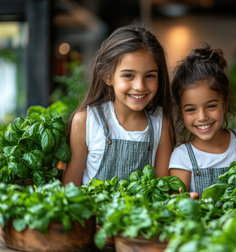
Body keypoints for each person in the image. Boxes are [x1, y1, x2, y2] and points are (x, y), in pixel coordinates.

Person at [62, 24, 174, 186]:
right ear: (108, 76)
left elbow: (162, 189)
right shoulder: (85, 120)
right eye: (128, 75)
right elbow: (70, 187)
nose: (140, 86)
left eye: (150, 76)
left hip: (143, 211)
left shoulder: (160, 123)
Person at [169, 43, 236, 198]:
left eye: (211, 106)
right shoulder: (182, 157)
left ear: (225, 104)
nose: (202, 117)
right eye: (191, 109)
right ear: (181, 113)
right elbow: (176, 205)